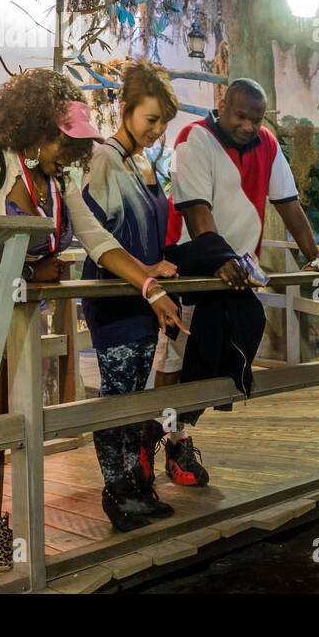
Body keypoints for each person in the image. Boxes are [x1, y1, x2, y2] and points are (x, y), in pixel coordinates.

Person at [0, 69, 185, 580]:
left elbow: (99, 241)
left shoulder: (60, 181)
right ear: (28, 128)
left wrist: (149, 287)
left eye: (69, 142)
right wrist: (29, 268)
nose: (64, 151)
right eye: (57, 139)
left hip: (20, 316)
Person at [142, 78, 319, 487]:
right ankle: (153, 438)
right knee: (173, 357)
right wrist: (220, 260)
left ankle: (178, 433)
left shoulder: (268, 144)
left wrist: (315, 257)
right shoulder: (191, 139)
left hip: (234, 272)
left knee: (213, 354)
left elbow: (288, 203)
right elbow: (198, 213)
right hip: (190, 265)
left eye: (257, 118)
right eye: (241, 116)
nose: (250, 126)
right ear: (221, 105)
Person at [81, 60, 186, 532]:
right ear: (124, 110)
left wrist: (155, 265)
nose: (158, 130)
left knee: (134, 394)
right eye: (150, 119)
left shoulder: (142, 162)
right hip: (116, 297)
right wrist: (144, 273)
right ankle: (116, 490)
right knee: (117, 394)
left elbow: (144, 234)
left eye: (164, 122)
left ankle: (135, 484)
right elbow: (96, 239)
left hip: (144, 294)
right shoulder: (103, 158)